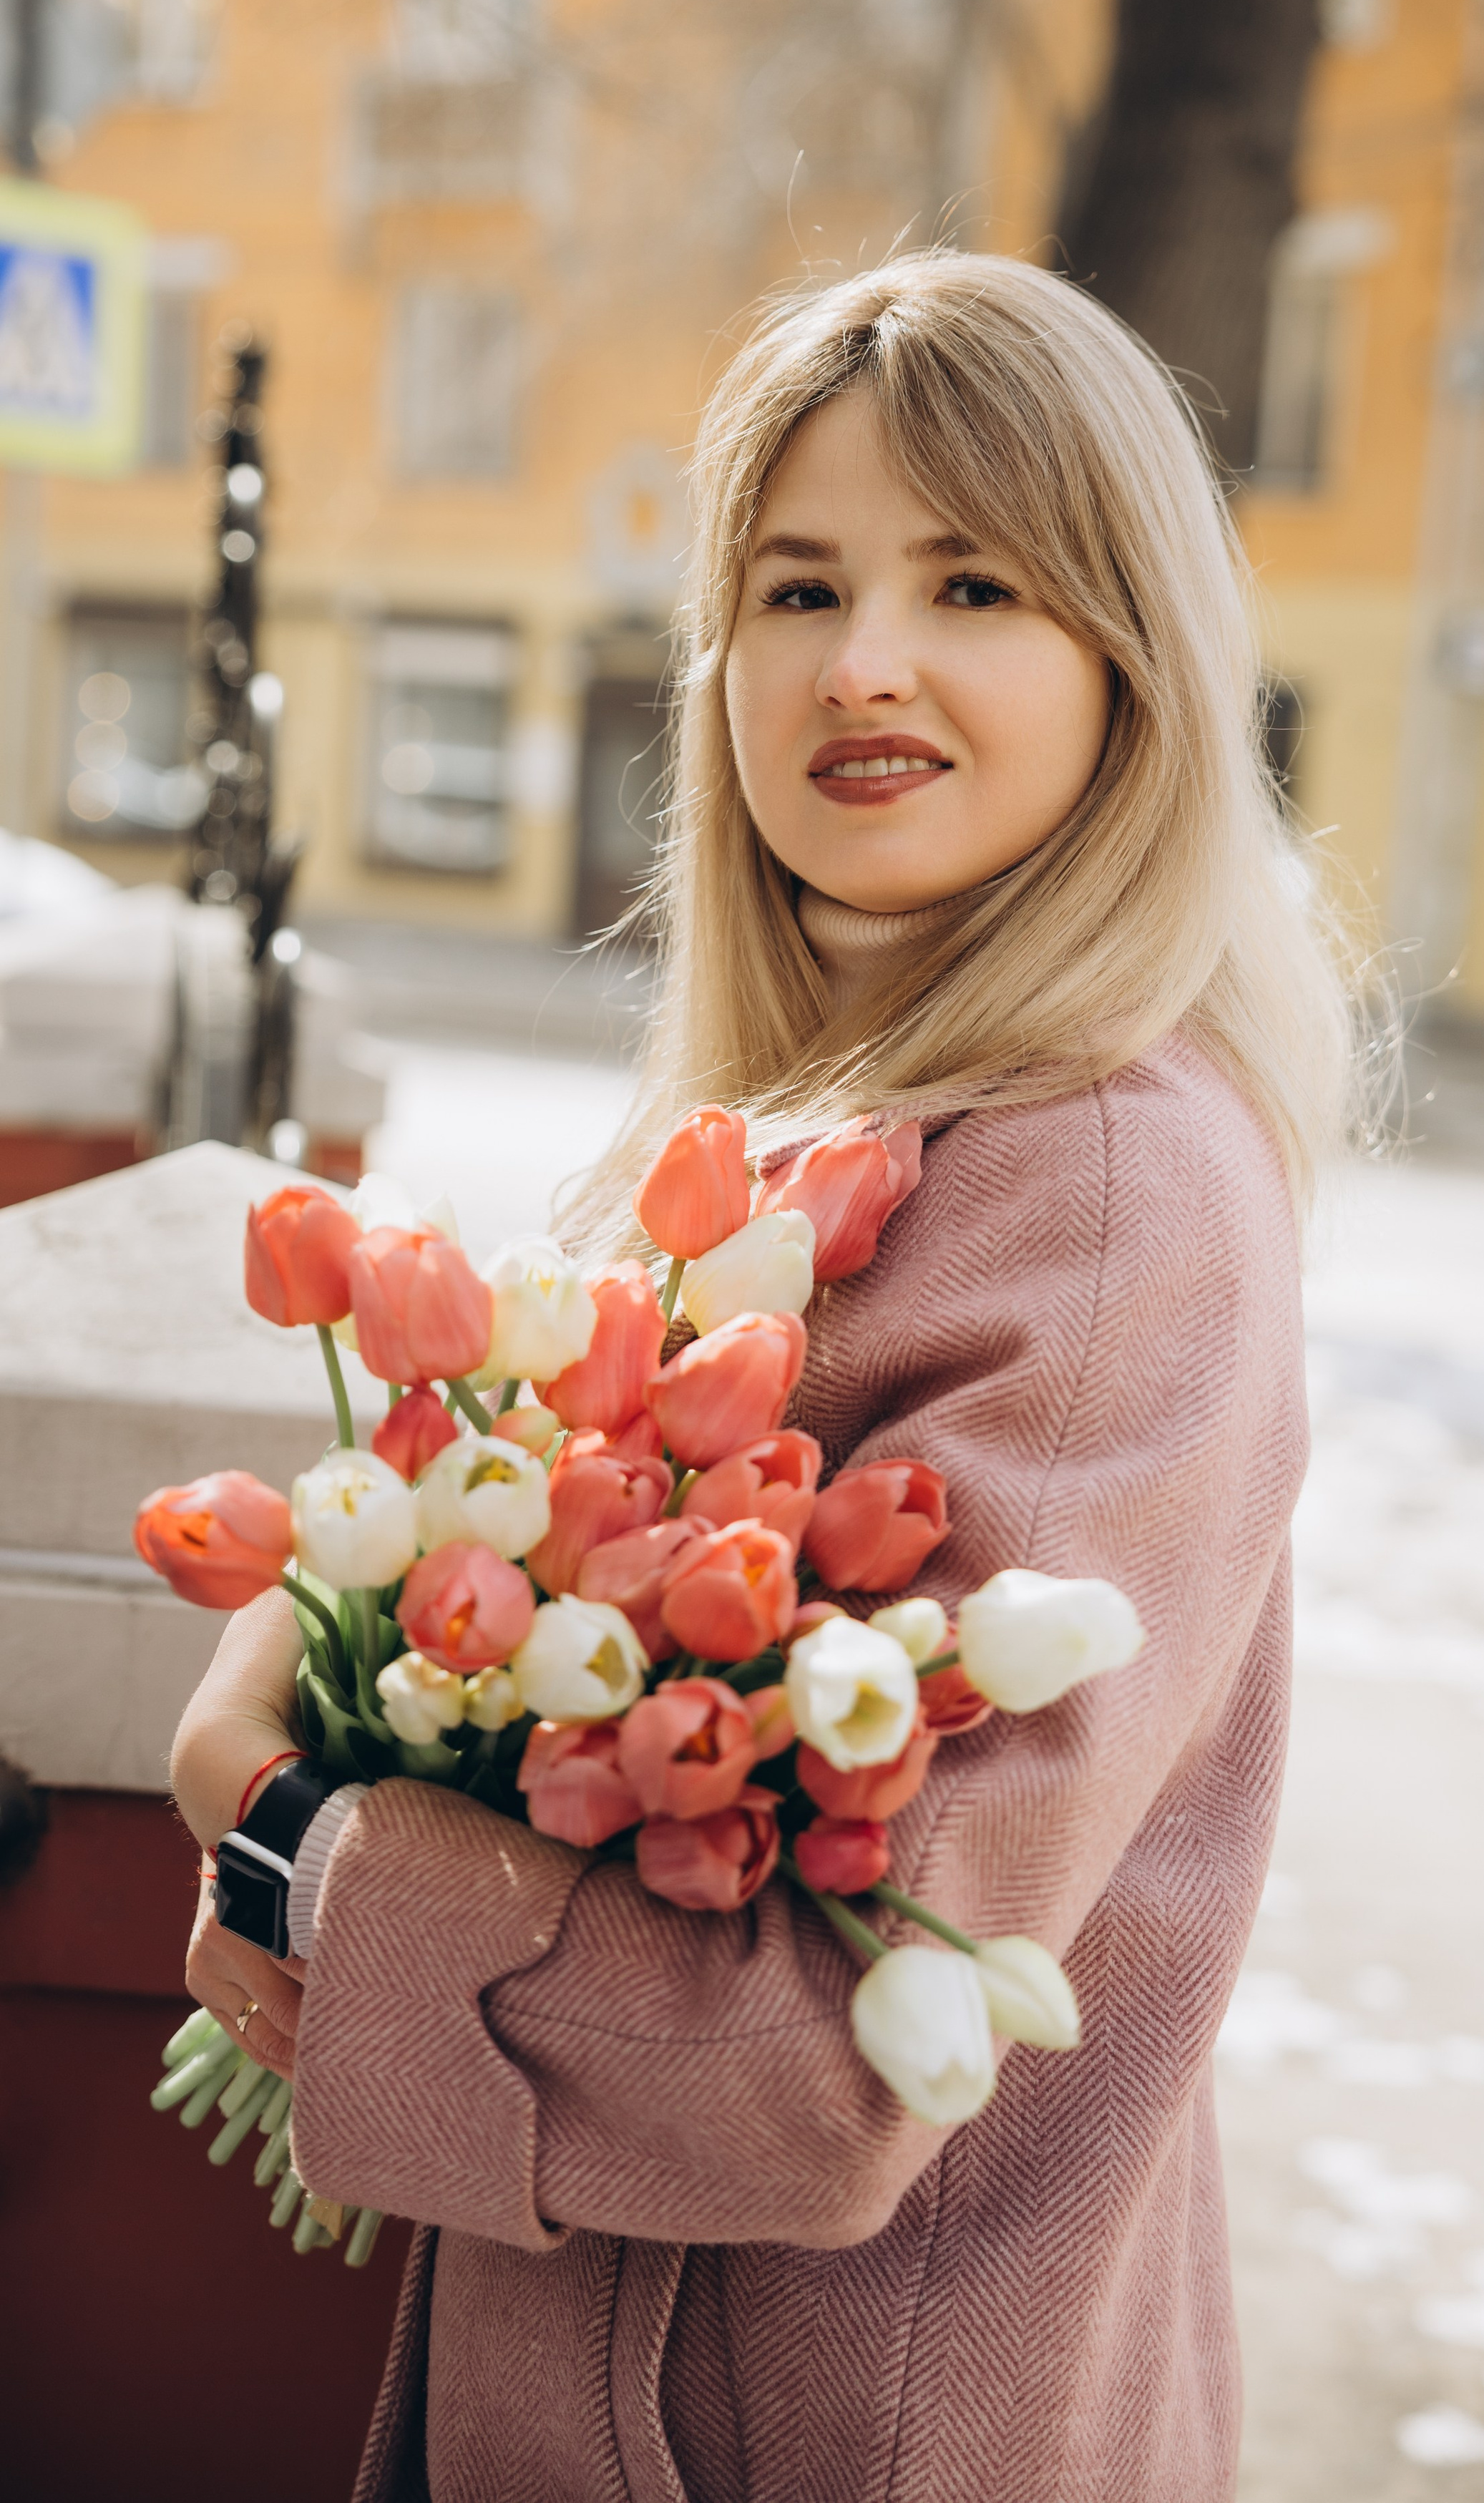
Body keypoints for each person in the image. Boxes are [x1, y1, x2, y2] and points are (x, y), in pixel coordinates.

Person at [172, 250, 1352, 2502]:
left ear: (1139, 666)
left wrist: (303, 1835)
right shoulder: (812, 1131)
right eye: (797, 587)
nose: (863, 662)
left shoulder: (1103, 1196)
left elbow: (824, 2061)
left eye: (976, 582)